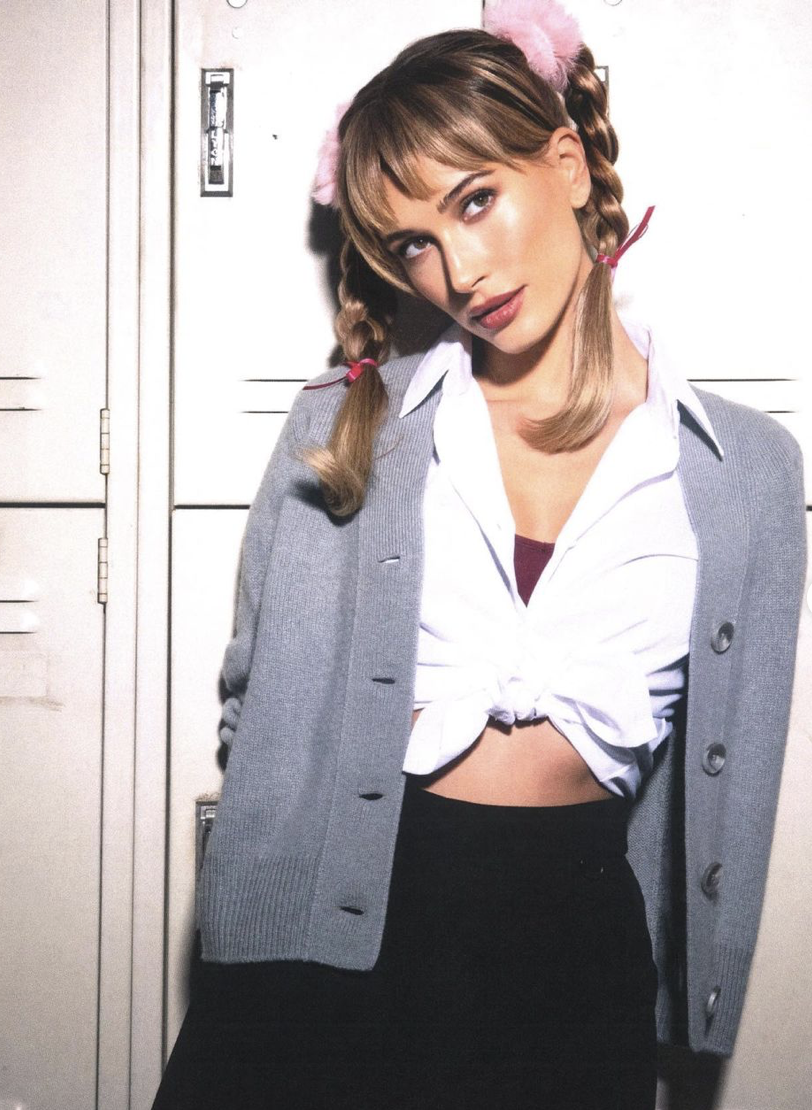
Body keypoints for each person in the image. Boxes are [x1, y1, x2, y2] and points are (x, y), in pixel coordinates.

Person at [151, 1, 807, 1107]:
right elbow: (254, 706)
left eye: (474, 201)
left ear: (567, 165)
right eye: (413, 242)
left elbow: (732, 775)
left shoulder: (748, 471)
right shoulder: (342, 427)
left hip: (574, 949)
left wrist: (698, 986)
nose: (456, 269)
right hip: (325, 943)